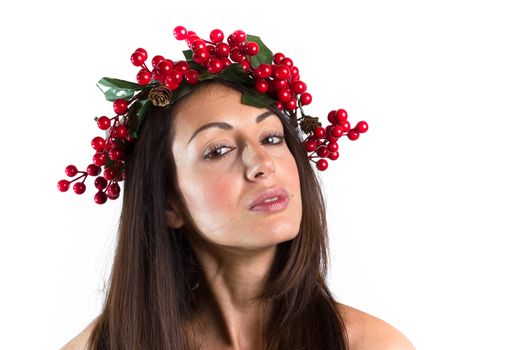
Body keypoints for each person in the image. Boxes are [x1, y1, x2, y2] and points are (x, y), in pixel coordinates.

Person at [59, 26, 416, 350]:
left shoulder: (373, 344)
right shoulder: (104, 345)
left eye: (272, 138)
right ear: (170, 203)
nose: (262, 163)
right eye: (219, 149)